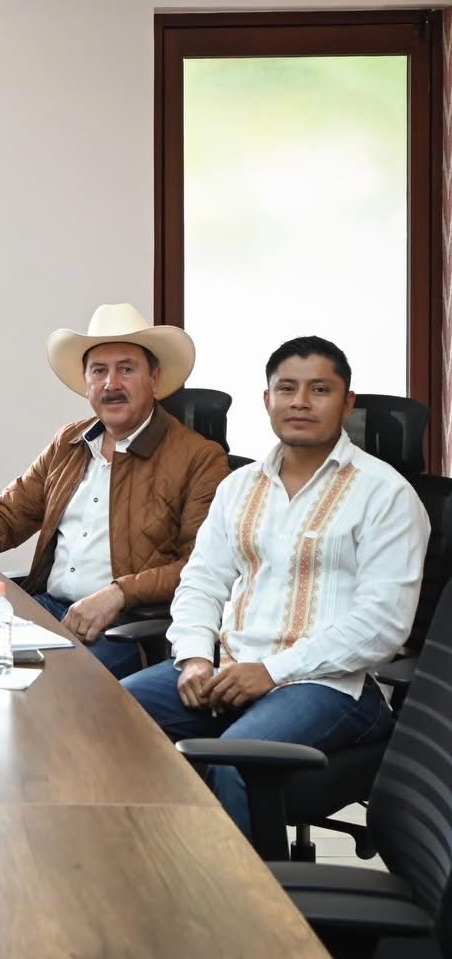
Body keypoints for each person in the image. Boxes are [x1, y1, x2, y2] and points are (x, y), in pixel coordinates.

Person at [122, 336, 427, 837]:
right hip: (229, 668)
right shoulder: (238, 487)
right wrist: (194, 657)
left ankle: (250, 889)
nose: (300, 402)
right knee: (113, 716)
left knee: (236, 760)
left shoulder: (386, 494)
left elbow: (382, 625)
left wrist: (271, 671)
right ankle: (154, 865)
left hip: (333, 686)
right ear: (267, 400)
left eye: (320, 389)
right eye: (286, 388)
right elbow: (201, 582)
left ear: (347, 403)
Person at [0, 304, 228, 678]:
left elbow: (200, 566)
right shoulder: (69, 441)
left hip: (122, 627)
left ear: (155, 377)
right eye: (98, 371)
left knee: (37, 684)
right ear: (85, 382)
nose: (111, 384)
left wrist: (119, 593)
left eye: (126, 369)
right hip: (48, 609)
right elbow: (8, 515)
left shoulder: (199, 458)